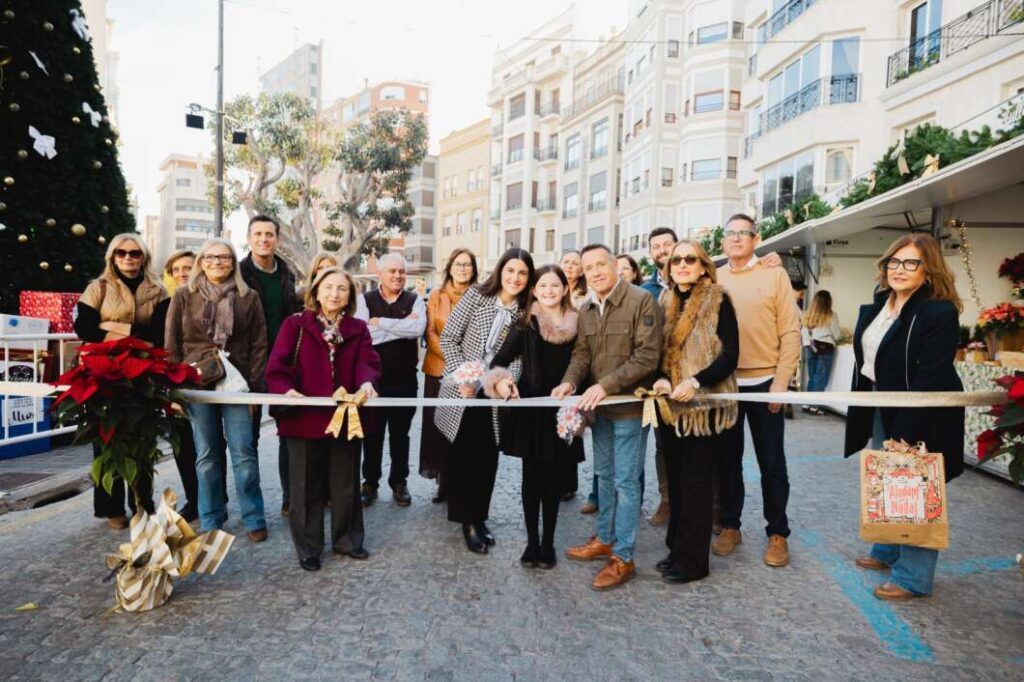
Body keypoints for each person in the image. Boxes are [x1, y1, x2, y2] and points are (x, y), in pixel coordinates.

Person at [844, 233, 964, 601]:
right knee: (888, 480)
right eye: (894, 262)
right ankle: (888, 551)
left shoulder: (938, 312)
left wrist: (907, 432)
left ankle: (913, 577)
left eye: (911, 263)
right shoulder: (879, 304)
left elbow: (931, 377)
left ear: (928, 270)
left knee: (915, 490)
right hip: (883, 403)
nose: (900, 269)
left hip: (922, 411)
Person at [553, 244, 661, 591]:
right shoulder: (586, 309)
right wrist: (569, 381)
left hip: (629, 408)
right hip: (600, 412)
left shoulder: (641, 300)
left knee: (626, 483)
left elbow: (648, 356)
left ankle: (624, 557)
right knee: (604, 475)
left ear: (615, 265)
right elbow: (582, 354)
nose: (596, 271)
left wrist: (607, 384)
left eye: (602, 264)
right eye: (589, 267)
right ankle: (605, 538)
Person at [266, 267, 381, 571]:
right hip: (303, 418)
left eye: (342, 289)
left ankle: (347, 540)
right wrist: (286, 389)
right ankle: (309, 548)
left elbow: (367, 362)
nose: (335, 294)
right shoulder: (296, 325)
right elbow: (276, 365)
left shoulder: (358, 328)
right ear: (315, 292)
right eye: (328, 287)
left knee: (345, 482)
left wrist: (367, 382)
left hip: (346, 417)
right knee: (305, 485)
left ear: (349, 297)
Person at [166, 238, 269, 542]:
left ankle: (253, 516)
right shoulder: (184, 295)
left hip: (237, 382)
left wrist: (254, 386)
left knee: (244, 452)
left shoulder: (248, 296)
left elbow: (260, 343)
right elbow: (172, 343)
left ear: (233, 262)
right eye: (210, 257)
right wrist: (174, 389)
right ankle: (211, 517)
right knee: (206, 453)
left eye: (224, 257)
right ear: (201, 261)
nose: (217, 262)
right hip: (196, 380)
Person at [483, 264, 583, 570]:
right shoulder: (525, 323)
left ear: (565, 288)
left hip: (562, 412)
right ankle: (531, 542)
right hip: (531, 411)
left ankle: (549, 542)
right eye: (543, 287)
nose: (549, 291)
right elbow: (498, 361)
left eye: (555, 285)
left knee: (553, 481)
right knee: (531, 480)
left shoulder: (580, 323)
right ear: (535, 291)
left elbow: (585, 363)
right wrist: (502, 382)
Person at [435, 248, 534, 554]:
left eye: (522, 273)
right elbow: (449, 338)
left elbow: (520, 358)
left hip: (493, 395)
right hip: (462, 390)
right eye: (510, 271)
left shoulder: (526, 312)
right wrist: (463, 376)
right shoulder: (477, 296)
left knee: (487, 459)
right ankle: (467, 522)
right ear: (500, 271)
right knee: (464, 459)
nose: (515, 278)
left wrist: (506, 380)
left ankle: (480, 516)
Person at [715, 214, 801, 567]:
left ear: (756, 238)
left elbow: (791, 331)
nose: (736, 239)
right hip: (726, 384)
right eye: (729, 233)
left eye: (743, 233)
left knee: (772, 463)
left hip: (766, 382)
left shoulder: (774, 274)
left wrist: (781, 383)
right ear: (723, 241)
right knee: (727, 461)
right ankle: (731, 526)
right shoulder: (714, 278)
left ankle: (777, 533)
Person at [75, 234, 178, 527]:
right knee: (107, 440)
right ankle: (111, 508)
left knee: (142, 438)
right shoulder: (98, 287)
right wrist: (133, 332)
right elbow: (84, 328)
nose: (128, 258)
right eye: (121, 253)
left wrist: (110, 327)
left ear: (143, 257)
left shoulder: (159, 291)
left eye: (134, 253)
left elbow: (158, 334)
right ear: (112, 257)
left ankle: (142, 503)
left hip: (142, 373)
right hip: (103, 372)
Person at [651, 240, 738, 584]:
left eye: (690, 259)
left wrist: (697, 382)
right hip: (671, 408)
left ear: (703, 265)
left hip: (703, 407)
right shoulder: (665, 300)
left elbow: (730, 354)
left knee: (697, 484)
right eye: (676, 260)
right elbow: (659, 351)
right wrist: (660, 378)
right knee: (677, 483)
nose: (682, 264)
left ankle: (694, 562)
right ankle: (676, 551)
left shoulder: (718, 298)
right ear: (668, 267)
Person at [239, 215, 301, 516]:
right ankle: (253, 510)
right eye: (258, 234)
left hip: (284, 364)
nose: (264, 239)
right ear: (249, 238)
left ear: (277, 238)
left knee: (289, 434)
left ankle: (291, 498)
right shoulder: (239, 273)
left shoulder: (286, 274)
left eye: (269, 234)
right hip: (248, 365)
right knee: (246, 440)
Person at [354, 253, 426, 507]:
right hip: (373, 382)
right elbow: (365, 335)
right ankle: (370, 483)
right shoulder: (364, 300)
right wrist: (401, 326)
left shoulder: (415, 300)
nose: (397, 275)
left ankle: (399, 482)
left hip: (405, 380)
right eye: (392, 271)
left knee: (401, 435)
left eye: (401, 271)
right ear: (380, 275)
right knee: (372, 434)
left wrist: (382, 323)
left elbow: (417, 330)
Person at [421, 248, 478, 503]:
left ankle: (461, 481)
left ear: (474, 269)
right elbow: (430, 332)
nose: (463, 268)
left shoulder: (481, 297)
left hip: (471, 373)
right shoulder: (437, 295)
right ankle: (442, 482)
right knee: (439, 427)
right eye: (458, 264)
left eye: (467, 265)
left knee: (466, 430)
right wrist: (453, 360)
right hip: (438, 369)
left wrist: (465, 367)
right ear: (450, 267)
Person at [638, 226, 678, 527]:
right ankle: (667, 500)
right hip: (656, 381)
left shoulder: (696, 280)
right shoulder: (645, 292)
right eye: (656, 246)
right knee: (663, 444)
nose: (662, 250)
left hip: (691, 377)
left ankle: (712, 506)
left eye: (667, 245)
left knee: (700, 442)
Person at [801, 290, 842, 415]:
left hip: (810, 346)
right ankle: (814, 406)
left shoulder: (808, 314)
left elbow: (803, 331)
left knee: (812, 376)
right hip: (825, 347)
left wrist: (808, 344)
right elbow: (837, 335)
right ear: (828, 302)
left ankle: (807, 403)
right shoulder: (831, 316)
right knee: (821, 377)